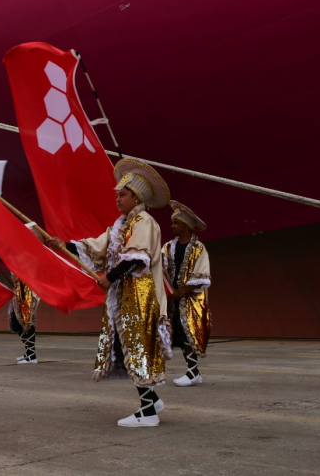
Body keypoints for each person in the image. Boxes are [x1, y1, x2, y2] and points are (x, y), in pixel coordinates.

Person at [49, 159, 172, 427]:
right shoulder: (120, 226)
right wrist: (63, 245)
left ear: (136, 197)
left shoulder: (144, 223)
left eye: (123, 195)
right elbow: (96, 247)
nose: (118, 199)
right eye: (117, 195)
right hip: (124, 297)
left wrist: (110, 277)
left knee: (137, 348)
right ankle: (152, 399)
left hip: (139, 296)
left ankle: (148, 412)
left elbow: (137, 258)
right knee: (125, 347)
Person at [162, 201, 212, 387]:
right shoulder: (167, 247)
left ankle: (193, 372)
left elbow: (202, 274)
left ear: (186, 226)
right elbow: (161, 267)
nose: (172, 226)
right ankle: (193, 371)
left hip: (191, 300)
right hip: (172, 299)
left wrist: (181, 292)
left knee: (188, 333)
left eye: (176, 223)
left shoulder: (199, 249)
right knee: (176, 334)